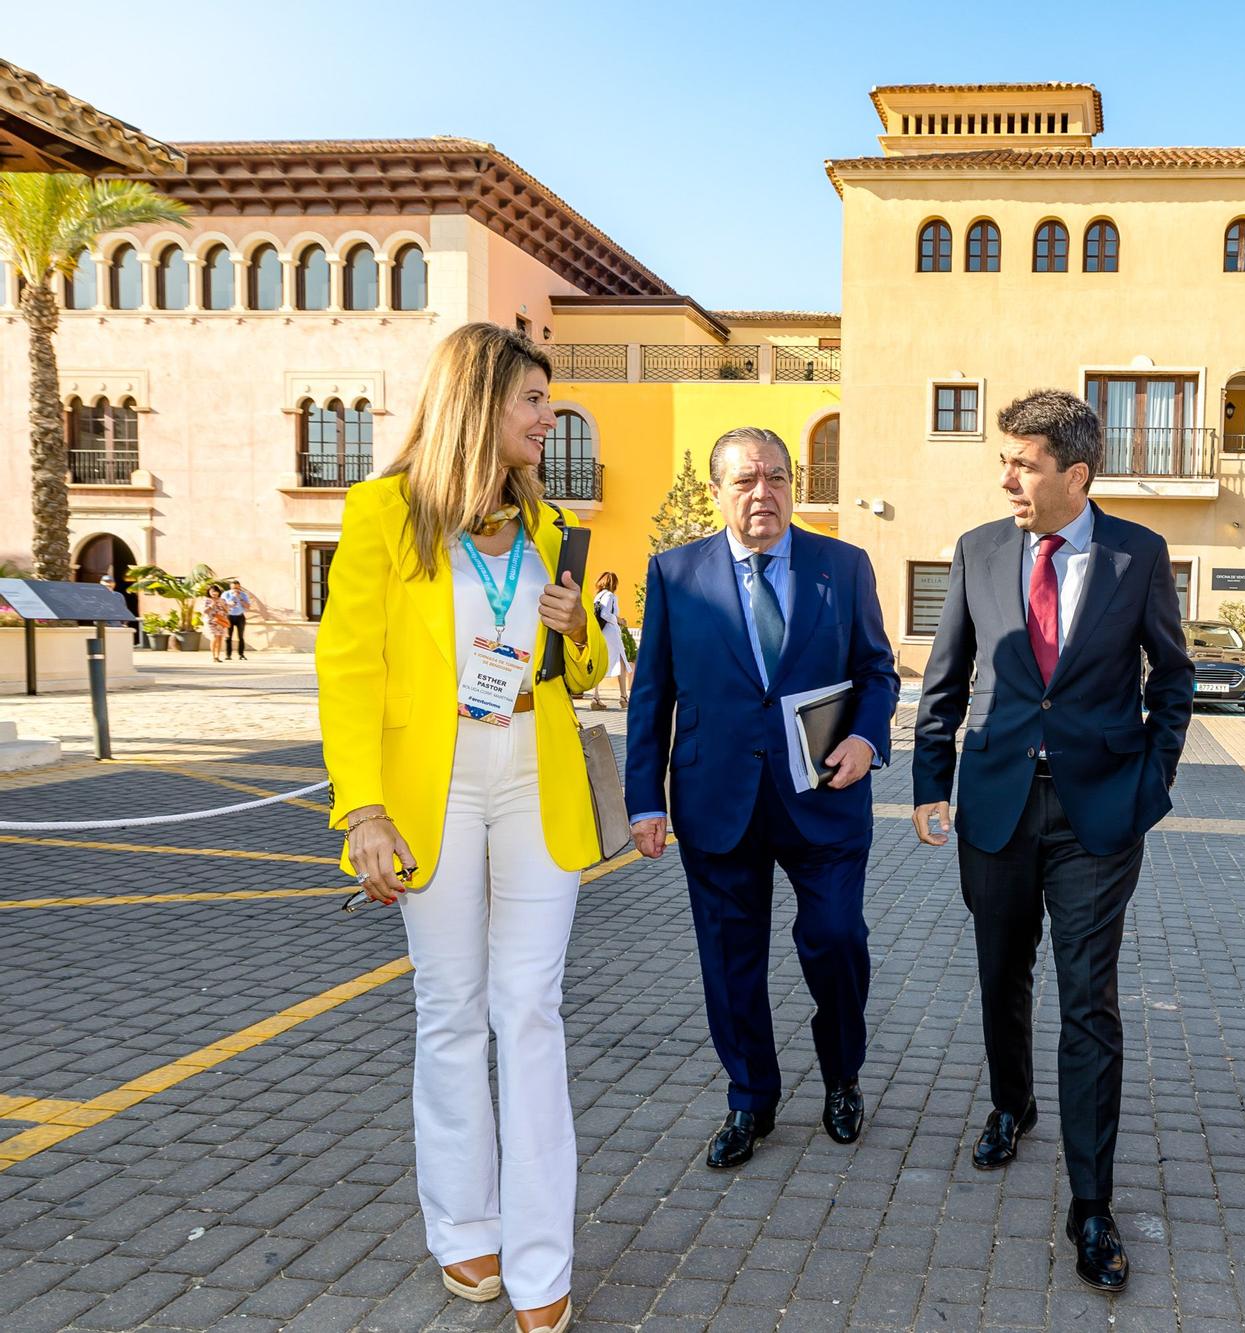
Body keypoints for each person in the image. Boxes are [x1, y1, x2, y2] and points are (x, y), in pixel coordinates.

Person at [317, 322, 607, 1333]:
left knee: (528, 1008)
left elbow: (584, 673)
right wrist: (362, 808)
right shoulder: (381, 516)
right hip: (430, 781)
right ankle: (462, 1228)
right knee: (450, 1009)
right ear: (479, 403)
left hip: (534, 769)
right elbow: (349, 670)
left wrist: (580, 634)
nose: (546, 416)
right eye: (532, 399)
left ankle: (539, 1256)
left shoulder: (550, 524)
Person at [912, 389, 1194, 1293]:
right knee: (1001, 974)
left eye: (1024, 464)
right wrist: (928, 783)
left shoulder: (1137, 555)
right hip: (994, 806)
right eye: (1005, 461)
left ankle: (1092, 1204)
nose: (1007, 479)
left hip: (1095, 816)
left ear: (1075, 474)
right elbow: (944, 678)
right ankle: (1011, 1103)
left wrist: (1153, 782)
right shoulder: (977, 551)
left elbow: (1174, 676)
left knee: (1088, 999)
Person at [625, 426, 898, 1170]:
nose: (763, 492)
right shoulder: (677, 574)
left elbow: (878, 671)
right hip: (718, 799)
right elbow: (651, 695)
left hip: (825, 794)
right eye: (745, 479)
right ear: (717, 492)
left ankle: (842, 1074)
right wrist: (644, 800)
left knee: (837, 938)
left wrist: (867, 739)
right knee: (729, 958)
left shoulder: (841, 566)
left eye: (777, 476)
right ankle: (751, 1096)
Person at [589, 572, 631, 709]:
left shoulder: (598, 596)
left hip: (600, 632)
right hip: (610, 632)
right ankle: (624, 697)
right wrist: (619, 620)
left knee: (601, 662)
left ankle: (596, 698)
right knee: (622, 661)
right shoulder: (610, 596)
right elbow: (605, 614)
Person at [222, 579, 251, 659]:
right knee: (228, 637)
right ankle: (228, 655)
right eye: (234, 588)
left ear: (239, 587)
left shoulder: (243, 595)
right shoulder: (226, 594)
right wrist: (229, 602)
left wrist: (240, 598)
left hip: (240, 616)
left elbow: (248, 606)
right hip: (229, 616)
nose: (236, 590)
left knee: (241, 636)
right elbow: (222, 604)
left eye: (237, 588)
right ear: (230, 587)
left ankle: (241, 654)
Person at [202, 585, 229, 661]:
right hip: (211, 621)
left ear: (218, 592)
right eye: (212, 591)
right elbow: (204, 611)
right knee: (214, 637)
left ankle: (217, 656)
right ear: (209, 592)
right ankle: (213, 656)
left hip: (221, 621)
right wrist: (211, 605)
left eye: (216, 591)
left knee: (220, 638)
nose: (214, 593)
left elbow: (227, 610)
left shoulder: (222, 600)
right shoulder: (206, 600)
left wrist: (222, 604)